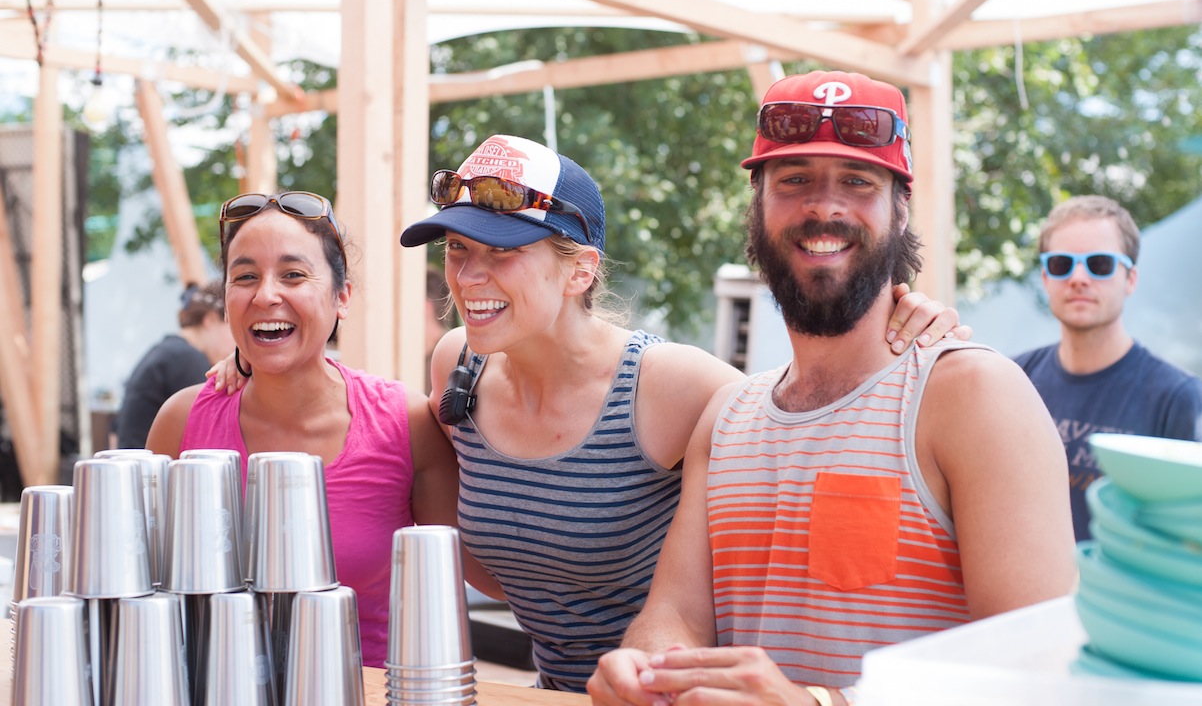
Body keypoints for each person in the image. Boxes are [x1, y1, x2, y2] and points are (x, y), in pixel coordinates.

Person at [398, 133, 970, 692]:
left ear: (580, 270)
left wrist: (899, 320)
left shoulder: (671, 386)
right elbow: (499, 567)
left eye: (502, 251)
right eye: (457, 248)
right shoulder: (458, 365)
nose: (467, 276)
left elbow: (810, 433)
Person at [587, 71, 1076, 706]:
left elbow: (1040, 672)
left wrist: (821, 703)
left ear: (900, 210)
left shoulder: (972, 394)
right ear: (757, 207)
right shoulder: (726, 415)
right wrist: (648, 667)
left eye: (857, 182)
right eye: (794, 180)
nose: (825, 207)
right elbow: (675, 612)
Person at [146, 191, 459, 668]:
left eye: (293, 275)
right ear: (226, 301)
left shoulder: (406, 422)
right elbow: (143, 596)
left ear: (342, 297)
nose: (265, 295)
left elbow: (455, 593)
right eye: (245, 277)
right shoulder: (181, 421)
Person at [1013, 195, 1202, 541]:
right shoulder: (1013, 380)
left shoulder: (1177, 397)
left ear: (1130, 279)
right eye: (1061, 264)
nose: (1078, 278)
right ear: (1045, 278)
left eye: (1099, 264)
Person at [114, 280, 235, 449]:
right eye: (232, 328)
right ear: (211, 320)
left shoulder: (170, 351)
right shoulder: (187, 359)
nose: (235, 345)